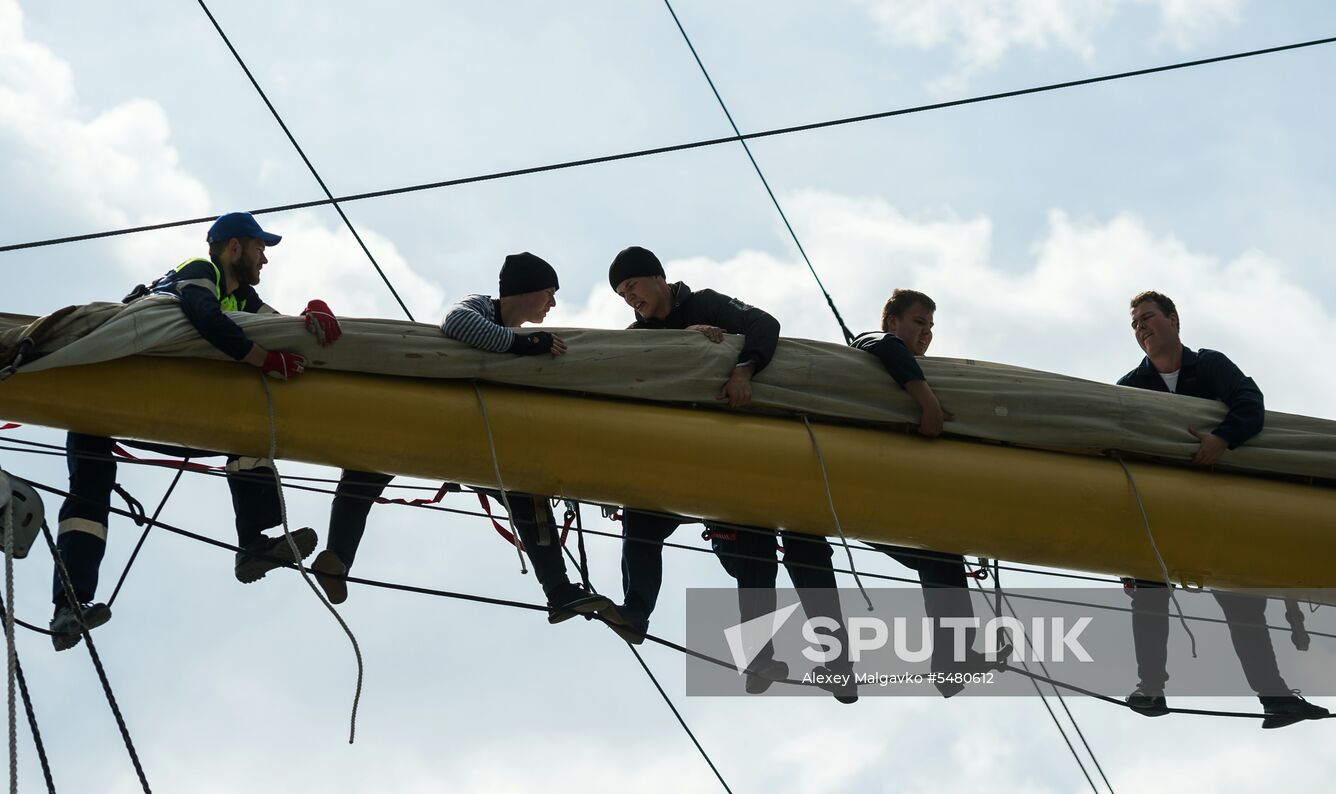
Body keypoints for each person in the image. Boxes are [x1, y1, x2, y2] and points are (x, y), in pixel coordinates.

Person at [49, 211, 339, 651]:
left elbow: (283, 331)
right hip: (114, 388)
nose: (265, 260)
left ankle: (255, 544)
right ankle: (70, 607)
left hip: (157, 404)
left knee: (249, 434)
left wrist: (311, 317)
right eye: (260, 248)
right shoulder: (198, 271)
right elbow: (203, 317)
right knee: (90, 495)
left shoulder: (244, 301)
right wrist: (261, 359)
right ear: (234, 247)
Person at [606, 246, 854, 701]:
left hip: (757, 453)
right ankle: (637, 613)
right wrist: (685, 342)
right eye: (622, 294)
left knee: (804, 547)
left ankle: (837, 661)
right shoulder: (639, 334)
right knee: (644, 519)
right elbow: (620, 369)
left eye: (632, 286)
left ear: (658, 277)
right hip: (690, 463)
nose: (629, 298)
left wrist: (742, 369)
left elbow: (766, 325)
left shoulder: (705, 302)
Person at [309, 252, 612, 624]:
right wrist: (526, 345)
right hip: (438, 418)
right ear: (526, 290)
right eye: (549, 292)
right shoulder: (482, 307)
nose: (553, 302)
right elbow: (458, 324)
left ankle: (559, 591)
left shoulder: (522, 335)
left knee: (528, 500)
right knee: (366, 468)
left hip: (479, 437)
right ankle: (337, 557)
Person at [1119, 291, 1327, 728]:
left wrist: (1221, 439)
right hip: (1160, 509)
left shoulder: (1210, 367)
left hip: (1218, 507)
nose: (1141, 327)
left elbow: (1250, 403)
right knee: (1148, 593)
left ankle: (1275, 699)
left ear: (1173, 320)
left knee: (1244, 605)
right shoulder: (1130, 388)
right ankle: (1150, 688)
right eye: (1135, 322)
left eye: (1148, 317)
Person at [851, 289, 995, 698]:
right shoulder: (871, 344)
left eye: (931, 327)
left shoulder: (905, 362)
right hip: (860, 488)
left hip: (884, 493)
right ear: (893, 321)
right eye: (919, 322)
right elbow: (884, 346)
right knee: (938, 554)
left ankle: (953, 663)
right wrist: (929, 404)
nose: (927, 333)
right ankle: (953, 660)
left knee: (941, 555)